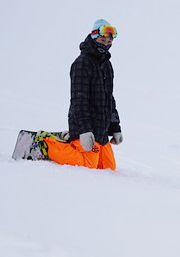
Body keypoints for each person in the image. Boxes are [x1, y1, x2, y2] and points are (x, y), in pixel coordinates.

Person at [43, 19, 123, 170]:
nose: (105, 44)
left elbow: (109, 98)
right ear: (93, 38)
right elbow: (79, 100)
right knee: (87, 164)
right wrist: (85, 131)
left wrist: (115, 128)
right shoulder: (82, 63)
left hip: (101, 129)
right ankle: (46, 144)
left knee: (108, 168)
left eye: (108, 41)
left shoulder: (106, 65)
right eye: (102, 40)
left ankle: (69, 143)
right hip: (85, 126)